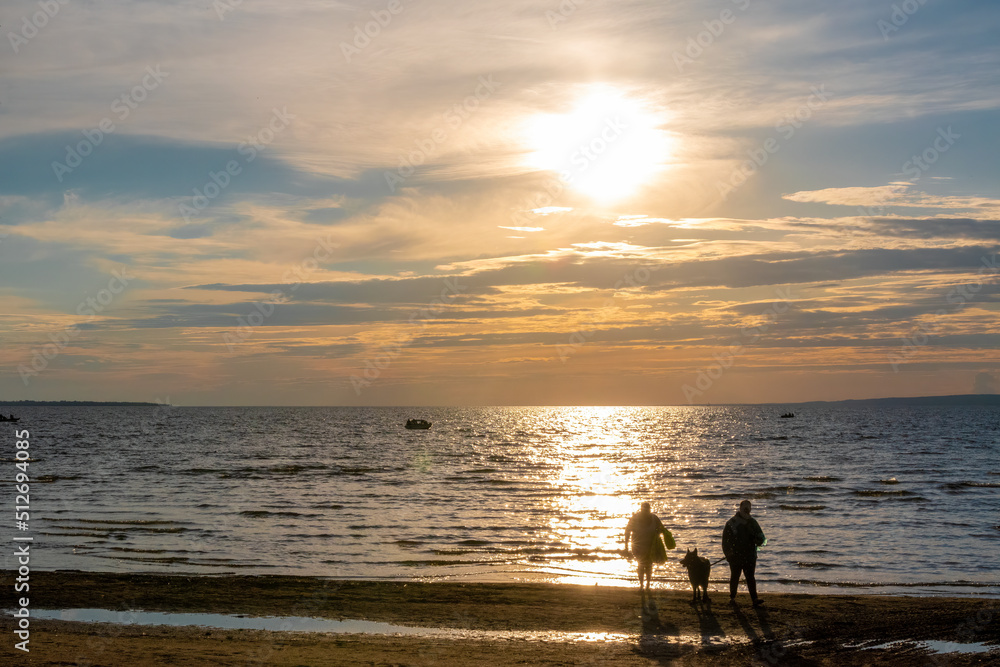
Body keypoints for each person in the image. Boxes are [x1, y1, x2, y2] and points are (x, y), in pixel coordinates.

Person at [722, 499, 767, 607]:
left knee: (750, 577)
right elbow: (725, 541)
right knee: (735, 577)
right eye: (744, 508)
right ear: (740, 508)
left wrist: (756, 539)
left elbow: (762, 540)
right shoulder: (731, 523)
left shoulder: (753, 522)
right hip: (735, 556)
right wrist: (728, 554)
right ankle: (732, 598)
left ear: (750, 509)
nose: (746, 510)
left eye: (748, 508)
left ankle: (754, 599)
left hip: (750, 556)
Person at [624, 502, 675, 591]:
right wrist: (626, 546)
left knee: (648, 566)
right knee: (641, 565)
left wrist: (665, 535)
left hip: (651, 547)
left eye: (647, 510)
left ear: (649, 510)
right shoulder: (635, 518)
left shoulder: (654, 518)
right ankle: (641, 585)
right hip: (638, 547)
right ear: (641, 510)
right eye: (644, 510)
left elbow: (662, 529)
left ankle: (647, 585)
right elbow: (627, 531)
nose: (645, 512)